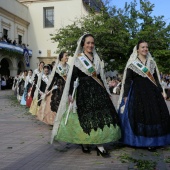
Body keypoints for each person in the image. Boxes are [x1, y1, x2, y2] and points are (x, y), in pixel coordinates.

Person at [51, 34, 121, 157]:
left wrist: (106, 91)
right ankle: (85, 142)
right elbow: (72, 78)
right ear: (83, 44)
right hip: (83, 91)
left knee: (99, 116)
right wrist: (69, 94)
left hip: (98, 91)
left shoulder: (97, 59)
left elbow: (100, 77)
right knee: (85, 117)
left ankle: (100, 145)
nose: (90, 45)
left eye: (92, 43)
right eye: (88, 43)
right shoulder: (77, 59)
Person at [117, 40, 170, 152]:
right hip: (138, 93)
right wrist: (125, 95)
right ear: (138, 50)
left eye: (146, 47)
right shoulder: (132, 64)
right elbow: (127, 80)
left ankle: (154, 141)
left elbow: (156, 79)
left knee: (154, 115)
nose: (145, 49)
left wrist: (161, 91)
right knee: (140, 115)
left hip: (152, 92)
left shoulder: (151, 63)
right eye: (142, 47)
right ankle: (141, 141)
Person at [37, 51, 69, 125]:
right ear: (61, 58)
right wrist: (48, 89)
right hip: (57, 88)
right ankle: (54, 120)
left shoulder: (69, 67)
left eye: (67, 56)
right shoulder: (57, 68)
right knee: (55, 103)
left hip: (66, 88)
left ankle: (63, 120)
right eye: (66, 56)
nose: (67, 57)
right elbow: (52, 79)